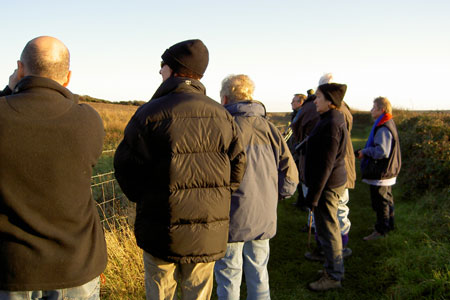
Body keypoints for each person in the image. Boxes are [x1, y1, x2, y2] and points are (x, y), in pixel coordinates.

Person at [114, 39, 247, 300]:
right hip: (207, 231)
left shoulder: (148, 114)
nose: (159, 71)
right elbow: (238, 167)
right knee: (198, 294)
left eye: (162, 65)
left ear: (174, 70)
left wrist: (145, 197)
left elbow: (125, 167)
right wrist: (215, 196)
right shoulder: (223, 116)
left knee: (160, 292)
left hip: (159, 227)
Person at [0, 36, 107, 299]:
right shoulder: (87, 121)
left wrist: (9, 89)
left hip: (12, 268)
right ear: (68, 77)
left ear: (20, 69)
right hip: (76, 266)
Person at [214, 75, 299, 299]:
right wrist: (274, 196)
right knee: (259, 270)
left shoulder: (222, 128)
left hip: (230, 216)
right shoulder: (269, 129)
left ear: (224, 98)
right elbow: (290, 175)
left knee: (228, 273)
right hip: (263, 214)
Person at [304, 73, 355, 261]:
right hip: (330, 182)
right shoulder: (331, 118)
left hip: (328, 184)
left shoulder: (332, 123)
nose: (315, 101)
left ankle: (333, 272)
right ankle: (331, 264)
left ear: (329, 100)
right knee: (329, 225)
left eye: (318, 97)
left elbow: (326, 164)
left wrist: (314, 194)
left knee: (330, 227)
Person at [357, 97, 401, 241]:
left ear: (382, 109)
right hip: (387, 170)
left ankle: (381, 231)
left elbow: (382, 152)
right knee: (387, 200)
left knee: (380, 202)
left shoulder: (383, 127)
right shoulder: (388, 122)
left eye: (374, 107)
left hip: (381, 171)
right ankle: (388, 226)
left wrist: (365, 152)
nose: (371, 110)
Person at [288, 93, 307, 209]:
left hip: (299, 151)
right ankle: (301, 201)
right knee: (299, 178)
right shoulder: (296, 114)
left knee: (301, 177)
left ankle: (304, 203)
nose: (291, 103)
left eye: (294, 101)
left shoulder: (302, 115)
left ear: (300, 102)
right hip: (296, 150)